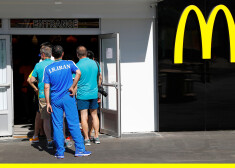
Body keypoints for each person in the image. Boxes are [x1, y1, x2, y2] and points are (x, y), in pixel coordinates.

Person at [43, 45, 91, 159]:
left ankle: (60, 152)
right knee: (73, 123)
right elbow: (78, 73)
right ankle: (79, 149)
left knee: (58, 125)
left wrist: (48, 103)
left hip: (55, 99)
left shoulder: (48, 68)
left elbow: (46, 87)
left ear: (52, 56)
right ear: (63, 54)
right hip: (68, 97)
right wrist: (73, 86)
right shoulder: (69, 63)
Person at [75, 46, 101, 145]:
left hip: (82, 94)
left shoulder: (77, 65)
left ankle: (86, 138)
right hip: (94, 93)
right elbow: (99, 78)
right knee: (94, 115)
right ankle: (96, 136)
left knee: (84, 116)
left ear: (77, 55)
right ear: (86, 53)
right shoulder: (96, 63)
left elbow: (75, 81)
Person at [30, 46, 54, 149]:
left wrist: (38, 81)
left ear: (43, 55)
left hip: (44, 96)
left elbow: (31, 80)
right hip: (56, 95)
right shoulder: (55, 64)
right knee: (58, 119)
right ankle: (59, 139)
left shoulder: (38, 65)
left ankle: (49, 141)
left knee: (46, 119)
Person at [28, 71, 44, 142]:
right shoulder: (54, 65)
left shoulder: (38, 67)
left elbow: (29, 80)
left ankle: (37, 135)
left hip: (41, 95)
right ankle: (59, 137)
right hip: (53, 94)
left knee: (39, 115)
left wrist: (36, 89)